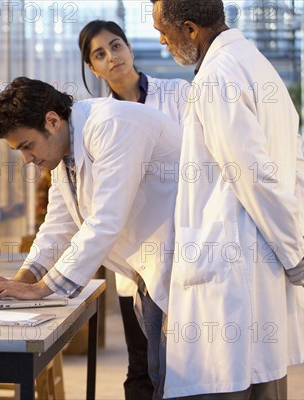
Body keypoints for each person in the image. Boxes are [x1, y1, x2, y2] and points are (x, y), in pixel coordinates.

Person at [149, 0, 304, 398]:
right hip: (259, 264)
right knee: (264, 384)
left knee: (232, 383)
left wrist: (294, 253)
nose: (162, 41)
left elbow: (251, 174)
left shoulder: (217, 76)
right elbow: (297, 167)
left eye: (164, 32)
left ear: (191, 29)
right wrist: (296, 242)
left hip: (233, 277)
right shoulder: (257, 65)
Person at [0, 77, 182, 397]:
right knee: (158, 375)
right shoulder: (64, 152)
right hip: (151, 267)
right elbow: (57, 226)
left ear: (52, 121)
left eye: (27, 146)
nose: (26, 159)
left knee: (171, 381)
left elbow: (104, 221)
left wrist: (41, 289)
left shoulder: (111, 125)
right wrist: (22, 282)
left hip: (181, 263)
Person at [78, 19, 188, 400]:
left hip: (182, 249)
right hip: (133, 262)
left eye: (116, 46)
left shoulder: (177, 95)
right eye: (100, 54)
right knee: (140, 366)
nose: (112, 57)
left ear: (129, 48)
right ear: (92, 68)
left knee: (186, 366)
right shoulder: (96, 121)